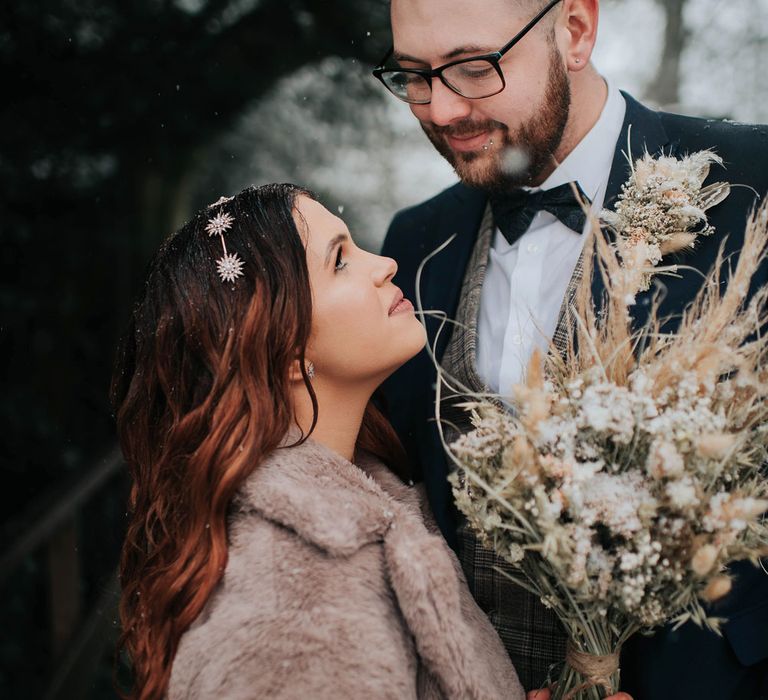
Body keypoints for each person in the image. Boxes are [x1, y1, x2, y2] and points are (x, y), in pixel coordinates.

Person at [374, 0, 768, 698]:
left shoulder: (751, 183)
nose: (437, 110)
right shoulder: (415, 241)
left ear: (576, 32)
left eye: (472, 67)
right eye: (412, 75)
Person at [110, 183, 529, 700]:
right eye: (339, 262)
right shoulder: (291, 600)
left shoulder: (368, 502)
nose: (385, 265)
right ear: (284, 350)